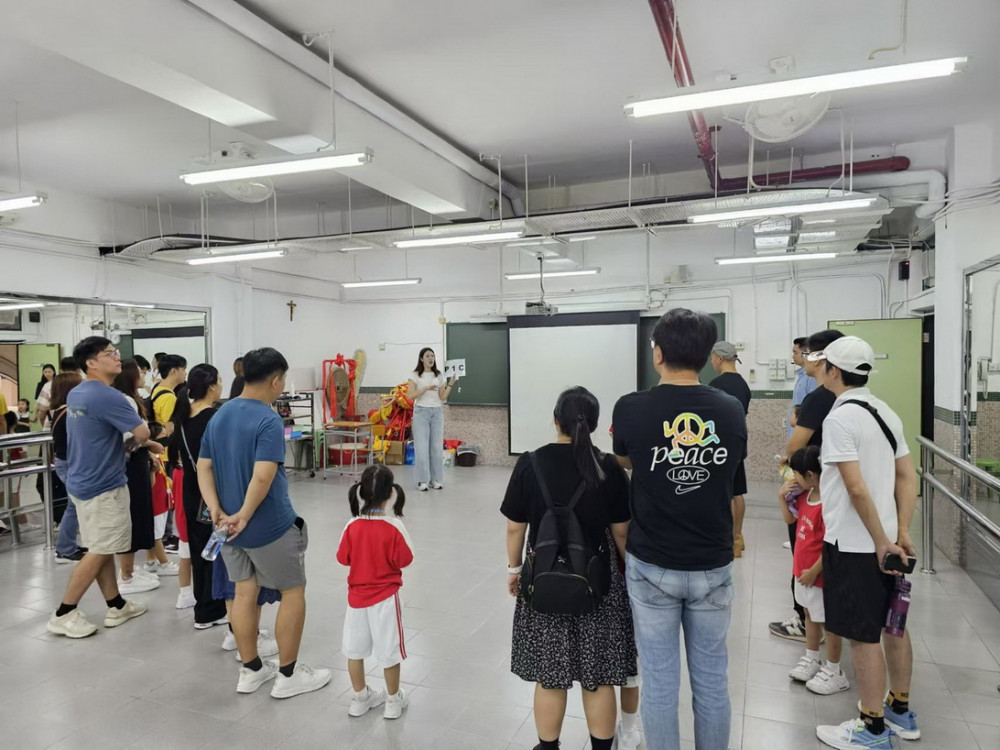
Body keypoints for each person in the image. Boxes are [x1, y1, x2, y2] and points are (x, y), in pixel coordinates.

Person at [612, 308, 746, 750]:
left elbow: (625, 459)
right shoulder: (730, 410)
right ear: (708, 357)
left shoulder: (631, 407)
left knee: (659, 681)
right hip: (712, 563)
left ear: (658, 353)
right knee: (712, 680)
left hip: (652, 563)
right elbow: (730, 470)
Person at [503, 386, 637, 750]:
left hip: (543, 581)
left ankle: (548, 747)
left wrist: (514, 568)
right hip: (598, 584)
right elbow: (621, 532)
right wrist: (630, 574)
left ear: (555, 420)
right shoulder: (608, 466)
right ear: (594, 425)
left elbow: (515, 527)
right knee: (598, 676)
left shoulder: (530, 463)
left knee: (550, 675)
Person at [198, 346, 331, 698]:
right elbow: (263, 476)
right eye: (283, 380)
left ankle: (251, 670)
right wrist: (244, 514)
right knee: (293, 592)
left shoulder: (219, 414)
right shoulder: (268, 419)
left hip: (227, 528)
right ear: (275, 380)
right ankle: (288, 675)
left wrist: (217, 510)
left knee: (244, 593)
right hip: (268, 525)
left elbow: (203, 467)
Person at [813, 336, 919, 749]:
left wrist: (879, 541)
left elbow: (855, 489)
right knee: (893, 624)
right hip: (890, 540)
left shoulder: (840, 419)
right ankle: (899, 708)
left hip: (856, 543)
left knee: (863, 635)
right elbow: (906, 476)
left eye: (823, 365)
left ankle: (872, 727)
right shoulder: (886, 412)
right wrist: (901, 531)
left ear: (833, 372)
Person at [47, 337, 150, 639]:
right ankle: (64, 612)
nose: (117, 358)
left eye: (115, 352)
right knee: (102, 549)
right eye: (109, 354)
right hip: (104, 485)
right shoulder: (109, 396)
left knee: (100, 546)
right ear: (91, 363)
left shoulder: (77, 393)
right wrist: (134, 444)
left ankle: (116, 604)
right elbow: (142, 431)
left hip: (81, 480)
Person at [769, 328, 845, 642]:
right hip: (832, 486)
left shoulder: (819, 397)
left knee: (805, 550)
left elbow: (795, 446)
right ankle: (822, 619)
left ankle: (805, 621)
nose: (803, 358)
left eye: (809, 353)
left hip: (813, 485)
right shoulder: (842, 398)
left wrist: (789, 464)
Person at [337, 465, 413, 720]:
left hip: (356, 600)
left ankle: (360, 698)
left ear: (361, 491)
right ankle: (393, 700)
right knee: (389, 651)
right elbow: (405, 559)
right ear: (391, 493)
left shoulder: (352, 525)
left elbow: (342, 558)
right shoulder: (394, 526)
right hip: (385, 600)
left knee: (354, 651)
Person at [779, 446, 848, 695]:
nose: (793, 478)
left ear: (810, 475)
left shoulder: (828, 504)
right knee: (809, 614)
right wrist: (781, 497)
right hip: (802, 571)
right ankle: (811, 658)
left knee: (828, 622)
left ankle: (834, 669)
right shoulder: (805, 496)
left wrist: (814, 571)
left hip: (818, 575)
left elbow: (830, 545)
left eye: (796, 474)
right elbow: (790, 520)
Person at [173, 365, 230, 626]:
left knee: (200, 550)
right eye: (220, 380)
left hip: (191, 492)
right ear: (211, 386)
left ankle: (203, 608)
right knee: (215, 548)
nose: (221, 385)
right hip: (211, 494)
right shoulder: (213, 418)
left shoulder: (184, 415)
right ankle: (212, 608)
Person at [110, 359, 172, 595]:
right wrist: (151, 444)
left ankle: (130, 571)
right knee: (134, 514)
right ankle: (126, 576)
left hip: (136, 461)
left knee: (140, 513)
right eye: (140, 372)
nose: (143, 376)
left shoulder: (131, 398)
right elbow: (130, 436)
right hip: (131, 463)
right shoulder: (124, 400)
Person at [709, 341, 752, 558]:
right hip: (738, 441)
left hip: (718, 445)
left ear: (719, 358)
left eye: (712, 358)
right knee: (737, 491)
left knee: (719, 492)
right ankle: (737, 538)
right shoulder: (743, 385)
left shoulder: (715, 384)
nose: (711, 362)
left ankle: (722, 536)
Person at [407, 347, 457, 491]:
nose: (431, 358)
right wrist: (425, 389)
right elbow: (410, 396)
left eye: (432, 356)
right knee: (421, 448)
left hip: (437, 412)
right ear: (421, 359)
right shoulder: (415, 375)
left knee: (436, 448)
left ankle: (435, 480)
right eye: (428, 356)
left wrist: (451, 383)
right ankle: (422, 481)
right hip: (421, 412)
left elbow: (442, 396)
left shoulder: (439, 375)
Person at [151, 354, 187, 554]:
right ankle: (166, 537)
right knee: (168, 497)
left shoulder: (158, 390)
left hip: (160, 452)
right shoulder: (168, 397)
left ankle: (164, 535)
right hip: (165, 454)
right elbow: (170, 428)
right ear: (174, 371)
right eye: (183, 369)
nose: (185, 374)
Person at [50, 372, 87, 563]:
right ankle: (64, 549)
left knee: (74, 504)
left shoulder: (59, 412)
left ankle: (68, 545)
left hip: (64, 462)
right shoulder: (70, 412)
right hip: (70, 463)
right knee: (73, 506)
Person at [36, 356, 78, 427]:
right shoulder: (84, 385)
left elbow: (42, 413)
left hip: (55, 424)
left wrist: (46, 427)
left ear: (60, 371)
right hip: (77, 426)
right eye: (45, 372)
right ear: (78, 371)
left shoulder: (49, 386)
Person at [789, 337, 818, 437]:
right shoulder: (802, 376)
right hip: (796, 430)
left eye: (795, 353)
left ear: (806, 354)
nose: (793, 356)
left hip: (803, 433)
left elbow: (812, 408)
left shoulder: (812, 377)